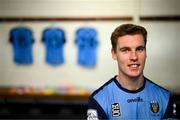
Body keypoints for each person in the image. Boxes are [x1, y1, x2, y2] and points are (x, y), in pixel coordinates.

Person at [87, 24, 177, 119]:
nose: (134, 57)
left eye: (139, 49)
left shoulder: (165, 98)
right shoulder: (99, 100)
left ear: (146, 52)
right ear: (114, 54)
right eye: (125, 50)